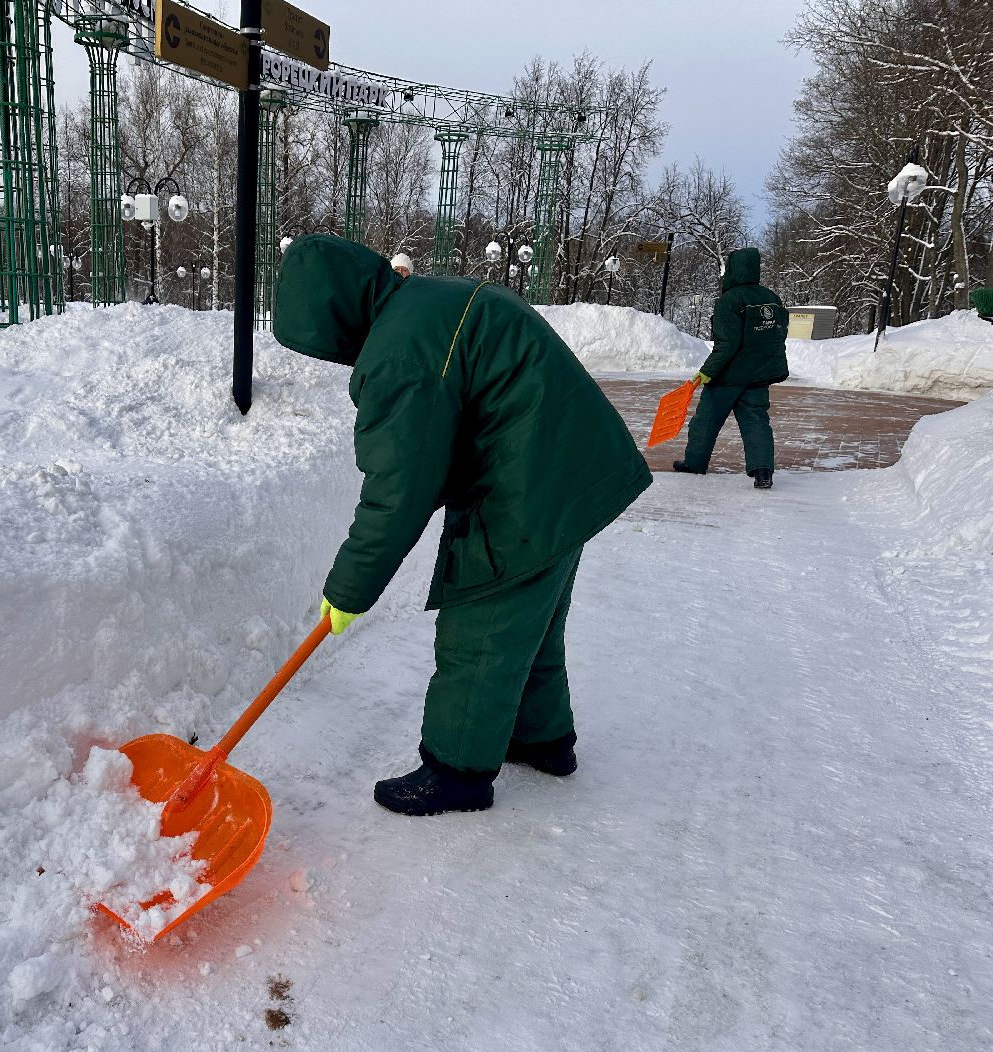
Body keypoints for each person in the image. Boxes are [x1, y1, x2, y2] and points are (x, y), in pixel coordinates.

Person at [272, 236, 651, 817]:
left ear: (332, 317)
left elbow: (397, 491)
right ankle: (542, 739)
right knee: (529, 624)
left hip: (528, 487)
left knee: (481, 627)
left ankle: (457, 772)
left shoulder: (400, 354)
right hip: (570, 471)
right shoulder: (429, 300)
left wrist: (348, 590)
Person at [674, 247, 790, 489]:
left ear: (733, 269)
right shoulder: (771, 298)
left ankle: (695, 463)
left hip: (728, 377)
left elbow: (726, 344)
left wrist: (707, 371)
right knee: (756, 422)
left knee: (705, 421)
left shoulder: (730, 300)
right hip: (758, 376)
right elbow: (778, 336)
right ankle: (763, 472)